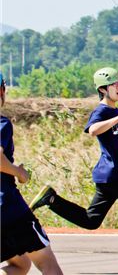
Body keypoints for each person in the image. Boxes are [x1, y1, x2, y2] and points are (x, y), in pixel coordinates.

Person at [29, 67, 118, 274]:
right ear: (103, 89)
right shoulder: (102, 111)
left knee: (91, 220)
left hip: (107, 175)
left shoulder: (115, 112)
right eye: (114, 84)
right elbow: (93, 130)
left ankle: (52, 200)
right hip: (115, 174)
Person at [0, 71, 64, 275]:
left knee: (21, 265)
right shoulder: (2, 123)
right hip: (9, 209)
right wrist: (19, 172)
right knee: (49, 266)